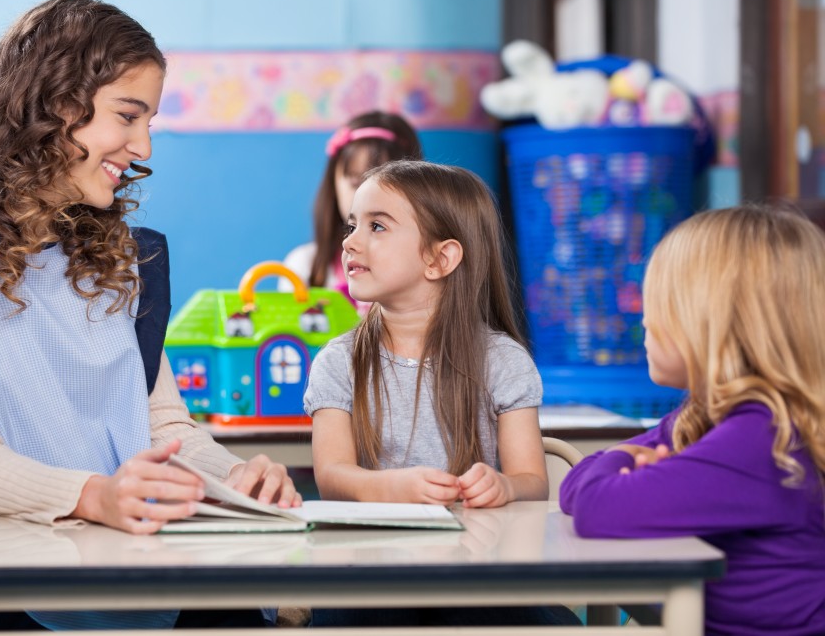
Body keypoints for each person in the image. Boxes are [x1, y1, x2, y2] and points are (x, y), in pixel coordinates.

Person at [0, 0, 298, 632]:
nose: (144, 144)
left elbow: (160, 427)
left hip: (125, 558)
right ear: (60, 103)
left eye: (149, 120)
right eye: (129, 115)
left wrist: (240, 479)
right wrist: (98, 495)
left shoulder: (110, 248)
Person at [302, 160, 577, 627]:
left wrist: (503, 485)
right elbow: (331, 475)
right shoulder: (337, 361)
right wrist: (391, 488)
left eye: (377, 226)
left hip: (483, 579)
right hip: (368, 582)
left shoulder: (503, 361)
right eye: (352, 225)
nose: (349, 241)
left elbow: (532, 480)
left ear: (440, 259)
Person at [560, 205, 825, 636]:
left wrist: (626, 460)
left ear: (715, 321)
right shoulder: (708, 417)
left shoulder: (763, 437)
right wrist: (628, 461)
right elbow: (577, 486)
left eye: (660, 303)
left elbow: (595, 508)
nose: (643, 318)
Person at [280, 111, 422, 313]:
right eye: (356, 182)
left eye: (385, 185)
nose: (367, 197)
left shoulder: (422, 267)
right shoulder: (303, 267)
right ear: (333, 186)